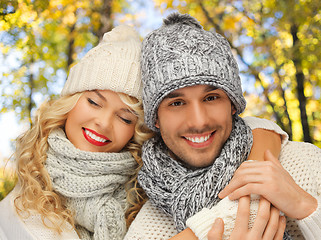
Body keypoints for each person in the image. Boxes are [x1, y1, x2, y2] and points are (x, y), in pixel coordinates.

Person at [124, 13, 321, 240]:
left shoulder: (304, 165)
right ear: (156, 118)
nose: (199, 121)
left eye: (211, 98)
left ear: (233, 105)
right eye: (177, 103)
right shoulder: (146, 229)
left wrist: (307, 208)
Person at [0, 25, 152, 240]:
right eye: (94, 102)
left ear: (135, 131)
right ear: (70, 103)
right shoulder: (18, 204)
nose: (104, 123)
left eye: (125, 118)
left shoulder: (148, 198)